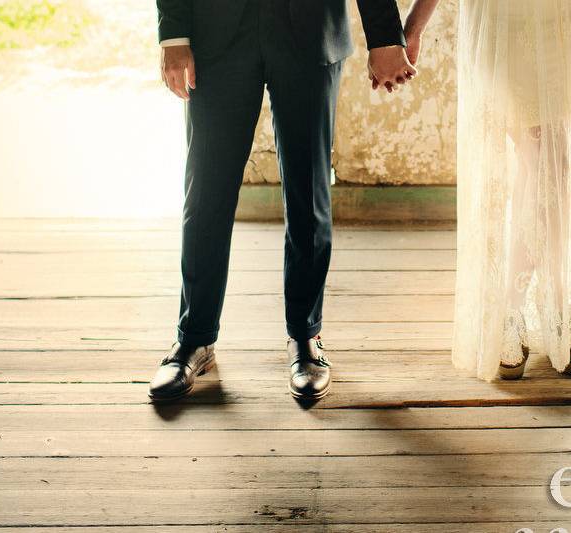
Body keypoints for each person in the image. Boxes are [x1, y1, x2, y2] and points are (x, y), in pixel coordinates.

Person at [148, 0, 416, 402]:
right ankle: (194, 338)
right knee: (206, 192)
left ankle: (306, 339)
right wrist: (174, 34)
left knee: (309, 194)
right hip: (215, 34)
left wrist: (384, 36)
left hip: (311, 27)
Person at [404, 0, 571, 380]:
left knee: (549, 168)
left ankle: (528, 310)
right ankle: (541, 309)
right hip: (504, 20)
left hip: (567, 24)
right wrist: (414, 25)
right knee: (545, 162)